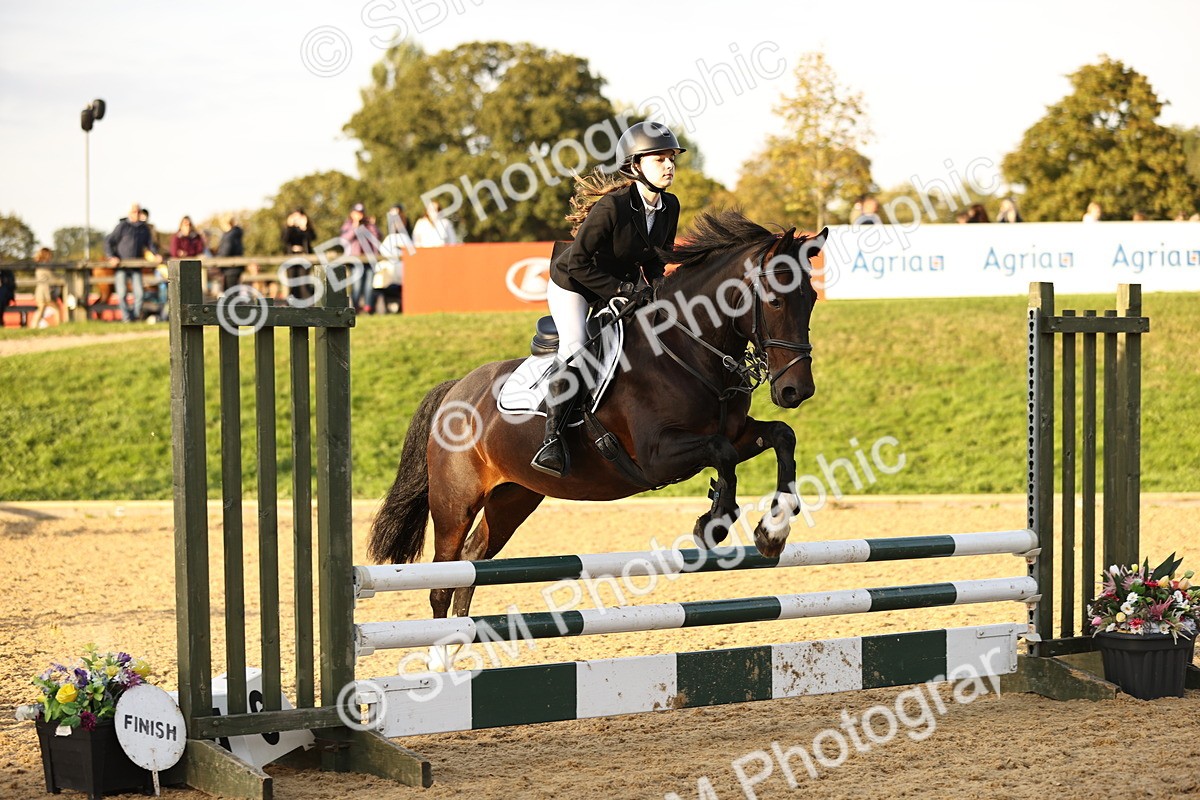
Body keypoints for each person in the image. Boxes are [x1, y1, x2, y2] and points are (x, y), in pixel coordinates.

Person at [530, 121, 684, 478]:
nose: (669, 165)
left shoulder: (669, 207)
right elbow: (578, 263)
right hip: (573, 284)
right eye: (659, 158)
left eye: (671, 158)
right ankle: (550, 441)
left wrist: (661, 291)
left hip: (617, 287)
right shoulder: (613, 207)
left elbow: (654, 259)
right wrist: (624, 291)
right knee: (577, 346)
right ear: (635, 165)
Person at [105, 202, 158, 322]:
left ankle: (134, 316)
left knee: (139, 294)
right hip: (122, 266)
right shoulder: (122, 226)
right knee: (122, 294)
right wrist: (111, 256)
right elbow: (109, 241)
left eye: (139, 212)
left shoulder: (143, 228)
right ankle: (126, 318)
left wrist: (156, 254)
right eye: (134, 212)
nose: (137, 214)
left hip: (136, 266)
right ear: (129, 213)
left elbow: (150, 244)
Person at [340, 203, 381, 312]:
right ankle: (355, 308)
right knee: (357, 285)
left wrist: (373, 225)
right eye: (357, 213)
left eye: (361, 213)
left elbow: (377, 237)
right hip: (356, 261)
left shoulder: (369, 224)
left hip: (369, 260)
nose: (359, 215)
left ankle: (368, 307)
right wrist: (355, 227)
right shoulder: (348, 225)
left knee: (369, 284)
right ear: (352, 213)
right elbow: (344, 239)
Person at [377, 202, 414, 313]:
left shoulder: (406, 238)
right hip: (390, 273)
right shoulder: (389, 238)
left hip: (403, 272)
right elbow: (383, 251)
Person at [282, 208, 316, 300]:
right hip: (290, 257)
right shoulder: (289, 229)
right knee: (292, 281)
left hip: (304, 257)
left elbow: (312, 238)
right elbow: (284, 239)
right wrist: (289, 226)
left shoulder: (306, 229)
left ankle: (306, 304)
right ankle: (292, 304)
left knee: (303, 282)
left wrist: (304, 227)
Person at [28, 247, 55, 328]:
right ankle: (33, 326)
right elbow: (52, 277)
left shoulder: (40, 265)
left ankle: (34, 326)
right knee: (52, 309)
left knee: (41, 310)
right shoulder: (43, 266)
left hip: (41, 292)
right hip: (43, 292)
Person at [216, 215, 245, 291]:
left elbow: (226, 251)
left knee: (230, 292)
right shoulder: (236, 234)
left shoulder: (229, 236)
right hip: (236, 268)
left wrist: (217, 260)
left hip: (229, 269)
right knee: (235, 291)